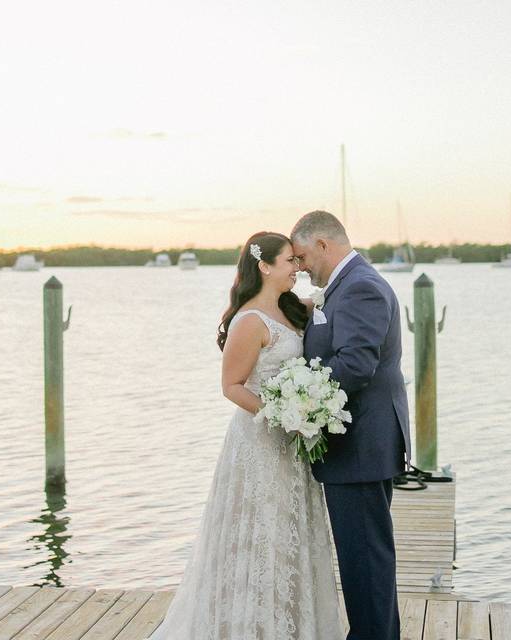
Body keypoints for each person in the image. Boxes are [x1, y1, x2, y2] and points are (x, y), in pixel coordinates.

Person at [148, 231, 342, 640]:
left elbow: (330, 301)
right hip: (260, 443)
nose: (298, 267)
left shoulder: (294, 308)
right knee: (259, 536)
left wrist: (304, 414)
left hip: (293, 445)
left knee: (290, 537)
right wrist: (283, 414)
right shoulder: (249, 321)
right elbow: (233, 386)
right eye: (290, 261)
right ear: (265, 266)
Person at [290, 211, 411, 640]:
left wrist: (298, 402)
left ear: (323, 244)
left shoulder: (360, 286)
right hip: (358, 443)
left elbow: (356, 367)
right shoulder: (344, 286)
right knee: (365, 559)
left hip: (361, 443)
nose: (300, 266)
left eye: (302, 256)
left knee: (365, 560)